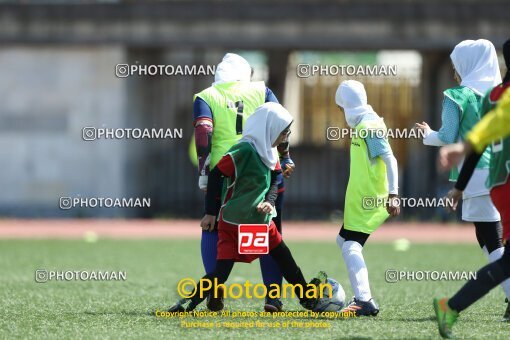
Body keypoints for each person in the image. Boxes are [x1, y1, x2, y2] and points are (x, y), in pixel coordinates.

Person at [169, 103, 326, 312]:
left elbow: (276, 178)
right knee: (226, 271)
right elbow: (216, 175)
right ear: (269, 127)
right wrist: (210, 213)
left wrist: (269, 202)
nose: (286, 136)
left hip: (257, 224)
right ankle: (188, 303)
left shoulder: (269, 151)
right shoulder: (244, 149)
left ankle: (306, 297)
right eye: (284, 131)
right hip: (235, 223)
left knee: (283, 258)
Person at [192, 53, 295, 312]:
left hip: (227, 171)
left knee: (213, 226)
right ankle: (272, 297)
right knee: (267, 232)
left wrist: (205, 172)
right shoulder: (261, 90)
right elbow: (281, 123)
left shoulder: (207, 96)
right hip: (263, 170)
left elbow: (204, 129)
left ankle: (215, 288)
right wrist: (285, 158)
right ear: (246, 73)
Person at [415, 40, 510, 312]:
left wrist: (426, 135)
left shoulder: (456, 95)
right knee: (491, 238)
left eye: (457, 65)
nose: (455, 71)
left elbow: (447, 136)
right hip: (502, 172)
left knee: (492, 241)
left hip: (476, 174)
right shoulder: (498, 94)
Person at [433, 59, 510, 338]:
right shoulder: (495, 96)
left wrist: (458, 185)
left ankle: (451, 307)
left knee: (499, 251)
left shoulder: (494, 97)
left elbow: (478, 142)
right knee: (496, 245)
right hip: (500, 182)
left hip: (496, 183)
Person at [334, 80, 400, 316]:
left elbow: (390, 159)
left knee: (350, 245)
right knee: (343, 241)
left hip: (371, 199)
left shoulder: (369, 126)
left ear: (347, 106)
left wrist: (394, 193)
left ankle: (364, 300)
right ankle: (362, 298)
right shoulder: (364, 123)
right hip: (360, 199)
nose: (340, 113)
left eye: (340, 108)